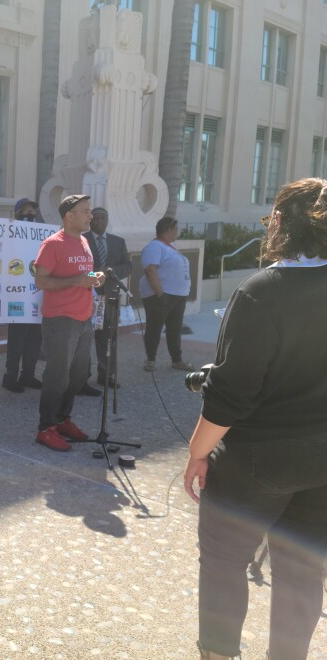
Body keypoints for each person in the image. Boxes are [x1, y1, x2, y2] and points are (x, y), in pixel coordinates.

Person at [183, 177, 327, 660]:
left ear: (281, 223)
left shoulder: (262, 290)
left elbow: (229, 397)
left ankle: (219, 653)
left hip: (256, 460)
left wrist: (197, 453)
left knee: (224, 563)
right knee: (305, 573)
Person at [33, 194, 104, 452]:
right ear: (69, 216)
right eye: (85, 211)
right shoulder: (52, 244)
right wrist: (77, 281)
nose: (90, 215)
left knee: (77, 376)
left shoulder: (84, 241)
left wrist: (94, 278)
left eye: (89, 211)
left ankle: (63, 419)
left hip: (84, 318)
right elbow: (41, 281)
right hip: (60, 320)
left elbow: (82, 275)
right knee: (57, 376)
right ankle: (45, 428)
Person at [83, 207, 131, 388]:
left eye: (103, 218)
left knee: (108, 339)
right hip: (88, 297)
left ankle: (106, 375)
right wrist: (94, 273)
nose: (99, 221)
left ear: (108, 220)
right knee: (85, 337)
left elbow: (128, 267)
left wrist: (109, 271)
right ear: (90, 220)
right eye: (96, 218)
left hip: (109, 298)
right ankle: (82, 377)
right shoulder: (82, 240)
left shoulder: (118, 242)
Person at [139, 216, 194, 372]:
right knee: (154, 328)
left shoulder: (169, 247)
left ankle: (177, 360)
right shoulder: (155, 246)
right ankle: (150, 360)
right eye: (176, 229)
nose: (178, 232)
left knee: (174, 329)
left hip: (177, 296)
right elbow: (150, 269)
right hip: (161, 295)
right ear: (168, 230)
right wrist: (160, 294)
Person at [2, 197, 45, 394]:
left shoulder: (41, 233)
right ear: (17, 213)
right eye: (26, 212)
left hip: (36, 294)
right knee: (17, 339)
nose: (30, 215)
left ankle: (28, 374)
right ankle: (10, 377)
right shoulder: (8, 233)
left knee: (35, 338)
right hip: (17, 295)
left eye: (32, 212)